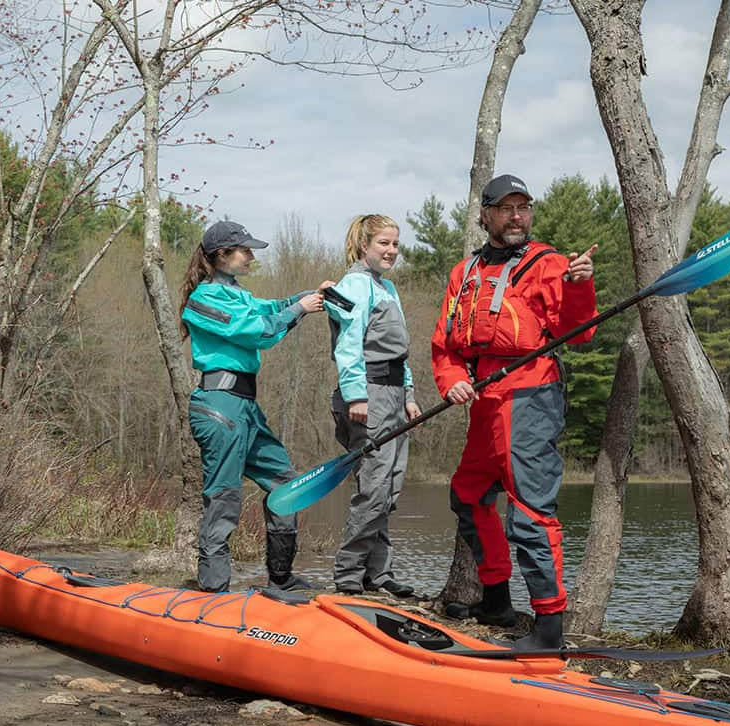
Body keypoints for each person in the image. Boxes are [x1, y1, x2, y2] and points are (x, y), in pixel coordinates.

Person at [430, 174, 598, 649]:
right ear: (485, 215)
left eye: (523, 207)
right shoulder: (463, 273)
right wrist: (453, 381)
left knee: (528, 509)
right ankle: (497, 600)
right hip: (483, 396)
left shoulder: (550, 264)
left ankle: (549, 628)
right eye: (506, 208)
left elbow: (579, 333)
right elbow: (444, 347)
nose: (517, 216)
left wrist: (580, 285)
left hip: (530, 394)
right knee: (468, 494)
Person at [180, 220, 330, 593]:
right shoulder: (204, 299)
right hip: (219, 407)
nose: (250, 256)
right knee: (224, 495)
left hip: (245, 408)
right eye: (244, 250)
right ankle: (213, 587)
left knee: (286, 485)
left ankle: (280, 578)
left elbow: (272, 309)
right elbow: (260, 332)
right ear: (221, 255)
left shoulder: (238, 294)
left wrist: (312, 295)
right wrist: (299, 309)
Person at [325, 214, 422, 598]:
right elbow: (348, 345)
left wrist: (410, 395)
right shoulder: (354, 285)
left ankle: (378, 574)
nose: (391, 251)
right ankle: (348, 575)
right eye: (384, 243)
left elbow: (400, 354)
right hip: (369, 394)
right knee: (375, 487)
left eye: (396, 244)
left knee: (391, 488)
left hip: (394, 394)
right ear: (363, 245)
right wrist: (356, 395)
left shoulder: (387, 288)